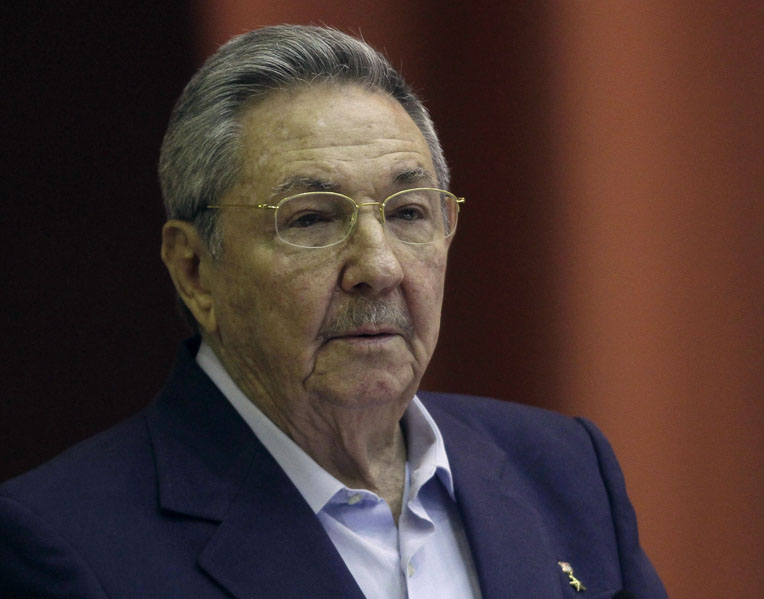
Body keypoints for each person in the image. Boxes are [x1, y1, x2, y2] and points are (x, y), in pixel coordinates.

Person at [0, 25, 666, 598]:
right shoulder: (65, 544)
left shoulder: (565, 470)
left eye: (409, 213)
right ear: (195, 269)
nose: (378, 266)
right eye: (312, 219)